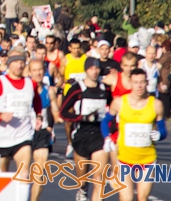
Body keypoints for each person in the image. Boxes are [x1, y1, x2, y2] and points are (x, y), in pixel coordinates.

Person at [0, 47, 41, 195]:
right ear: (9, 63)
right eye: (16, 62)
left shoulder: (31, 84)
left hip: (23, 136)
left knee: (24, 176)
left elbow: (36, 102)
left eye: (22, 62)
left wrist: (39, 116)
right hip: (2, 139)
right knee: (3, 181)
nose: (20, 65)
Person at [102, 68, 166, 201]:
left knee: (142, 198)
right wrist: (107, 137)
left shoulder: (156, 104)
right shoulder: (119, 102)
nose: (139, 86)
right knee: (126, 198)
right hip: (125, 159)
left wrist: (160, 135)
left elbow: (163, 130)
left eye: (142, 82)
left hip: (147, 159)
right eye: (136, 82)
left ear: (147, 83)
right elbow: (105, 121)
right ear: (130, 83)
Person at [59, 57, 110, 201]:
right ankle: (82, 189)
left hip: (100, 135)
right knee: (83, 179)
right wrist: (82, 117)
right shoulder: (77, 89)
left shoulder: (105, 89)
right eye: (91, 69)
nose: (94, 72)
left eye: (97, 69)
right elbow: (63, 112)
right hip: (82, 135)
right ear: (86, 70)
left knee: (99, 178)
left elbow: (114, 109)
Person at [28, 59, 61, 201]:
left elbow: (54, 111)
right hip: (24, 133)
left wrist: (56, 121)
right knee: (23, 172)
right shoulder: (25, 89)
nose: (38, 73)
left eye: (40, 69)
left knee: (39, 171)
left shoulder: (50, 91)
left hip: (42, 133)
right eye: (34, 70)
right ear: (29, 72)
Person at [60, 37, 87, 158]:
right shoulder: (65, 60)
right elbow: (60, 76)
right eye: (74, 48)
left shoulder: (85, 58)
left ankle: (82, 142)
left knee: (83, 118)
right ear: (69, 48)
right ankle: (70, 144)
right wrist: (67, 80)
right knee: (69, 119)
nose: (76, 50)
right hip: (69, 92)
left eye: (78, 48)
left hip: (83, 92)